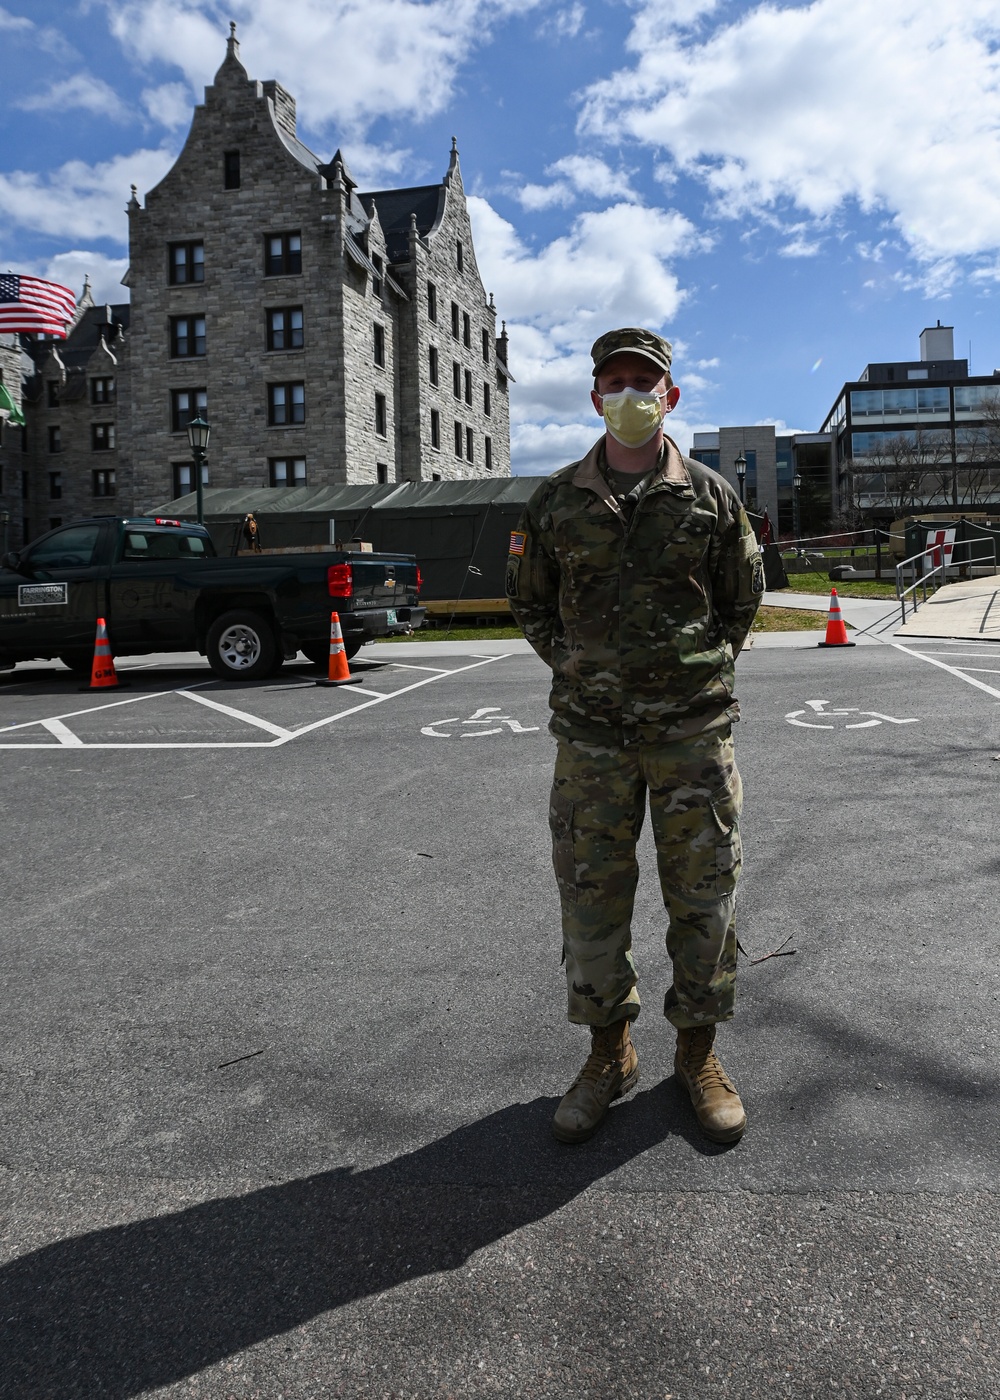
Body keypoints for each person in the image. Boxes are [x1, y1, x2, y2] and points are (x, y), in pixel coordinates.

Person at [506, 328, 764, 1146]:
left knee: (705, 901)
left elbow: (740, 601)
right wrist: (580, 667)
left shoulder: (713, 498)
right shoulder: (553, 502)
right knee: (591, 905)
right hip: (592, 741)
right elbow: (531, 603)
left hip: (692, 736)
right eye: (613, 383)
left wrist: (696, 673)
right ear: (594, 398)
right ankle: (609, 1055)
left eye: (644, 382)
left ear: (671, 396)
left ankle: (698, 1054)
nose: (629, 395)